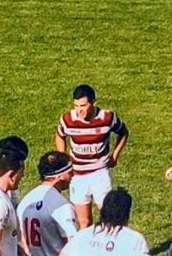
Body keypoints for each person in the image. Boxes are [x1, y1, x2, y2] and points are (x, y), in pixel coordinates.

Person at [55, 84, 129, 228]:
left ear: (94, 103)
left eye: (83, 106)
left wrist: (115, 155)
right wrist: (62, 157)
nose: (79, 110)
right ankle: (87, 249)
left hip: (99, 173)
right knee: (84, 222)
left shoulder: (107, 118)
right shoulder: (68, 119)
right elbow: (60, 135)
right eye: (76, 106)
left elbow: (123, 132)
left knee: (110, 218)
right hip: (77, 176)